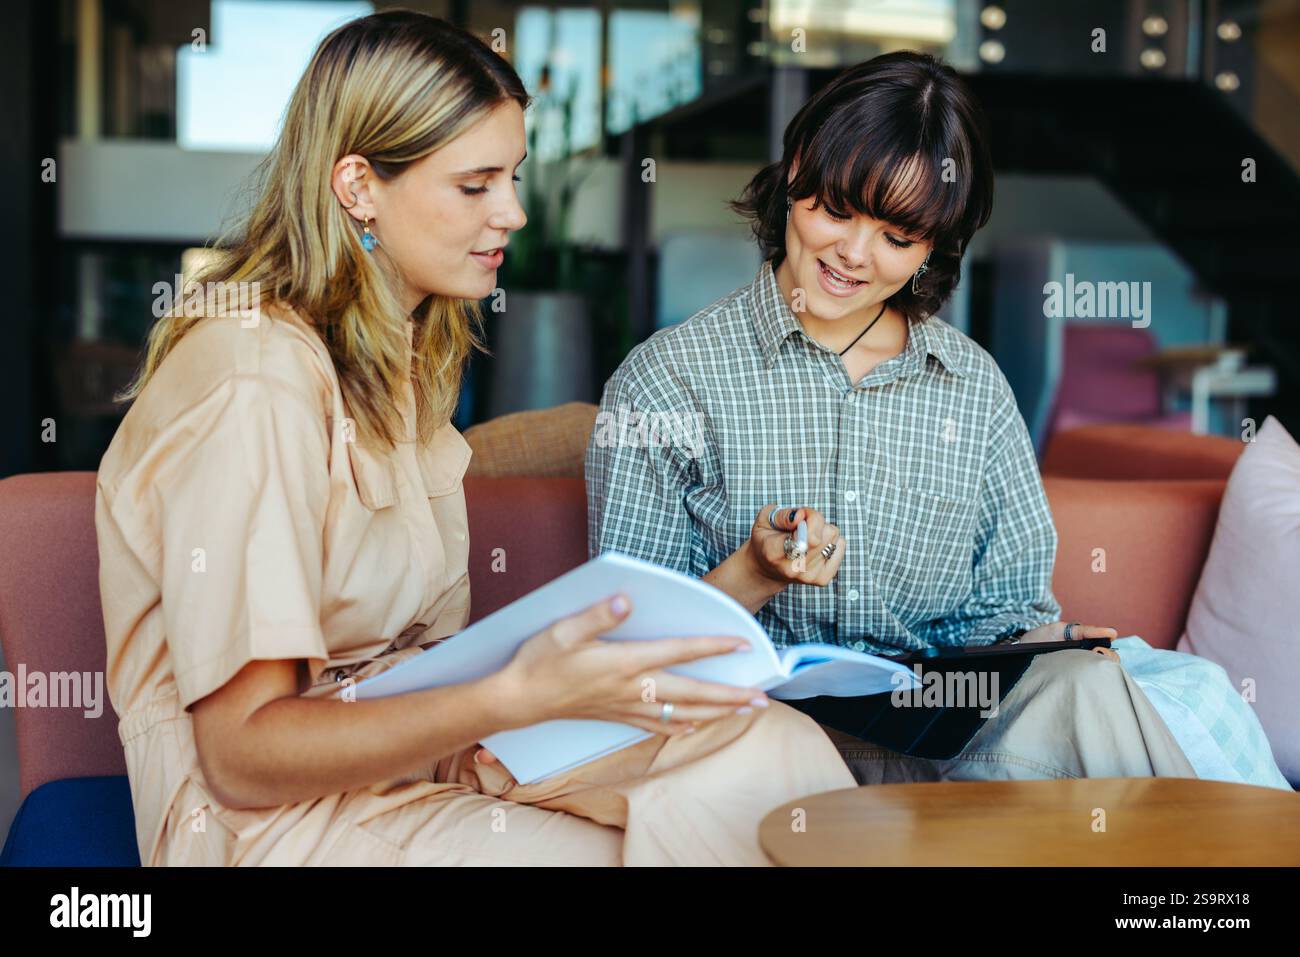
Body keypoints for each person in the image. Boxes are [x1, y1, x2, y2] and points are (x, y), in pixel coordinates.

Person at [95, 10, 854, 867]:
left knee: (766, 750)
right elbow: (242, 754)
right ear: (357, 186)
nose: (516, 212)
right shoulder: (250, 378)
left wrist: (659, 481)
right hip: (269, 821)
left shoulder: (404, 356)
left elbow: (404, 511)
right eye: (476, 184)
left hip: (424, 749)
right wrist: (508, 696)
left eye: (515, 176)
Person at [586, 51, 1197, 784]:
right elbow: (628, 645)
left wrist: (1048, 640)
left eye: (897, 237)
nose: (852, 254)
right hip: (751, 736)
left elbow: (1002, 613)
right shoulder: (669, 379)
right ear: (797, 169)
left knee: (1094, 687)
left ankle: (1194, 898)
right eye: (836, 210)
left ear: (934, 245)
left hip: (940, 741)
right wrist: (755, 571)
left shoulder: (971, 387)